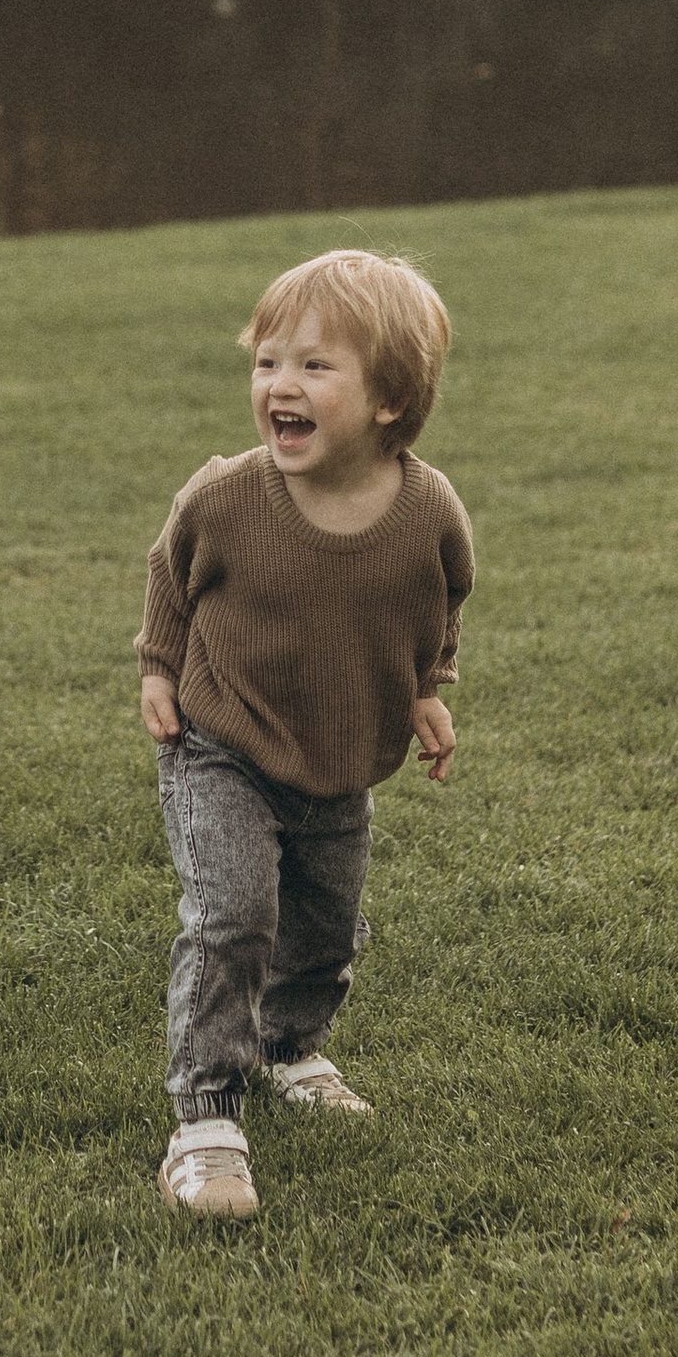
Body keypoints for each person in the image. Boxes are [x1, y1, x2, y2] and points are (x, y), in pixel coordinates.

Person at [137, 248, 473, 1222]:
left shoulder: (425, 513)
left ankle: (289, 1047)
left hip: (337, 760)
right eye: (267, 361)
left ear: (389, 398)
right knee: (235, 911)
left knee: (322, 929)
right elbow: (172, 569)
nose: (279, 384)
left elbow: (435, 601)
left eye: (314, 366)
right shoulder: (227, 495)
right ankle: (204, 1117)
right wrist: (159, 663)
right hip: (219, 743)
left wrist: (423, 688)